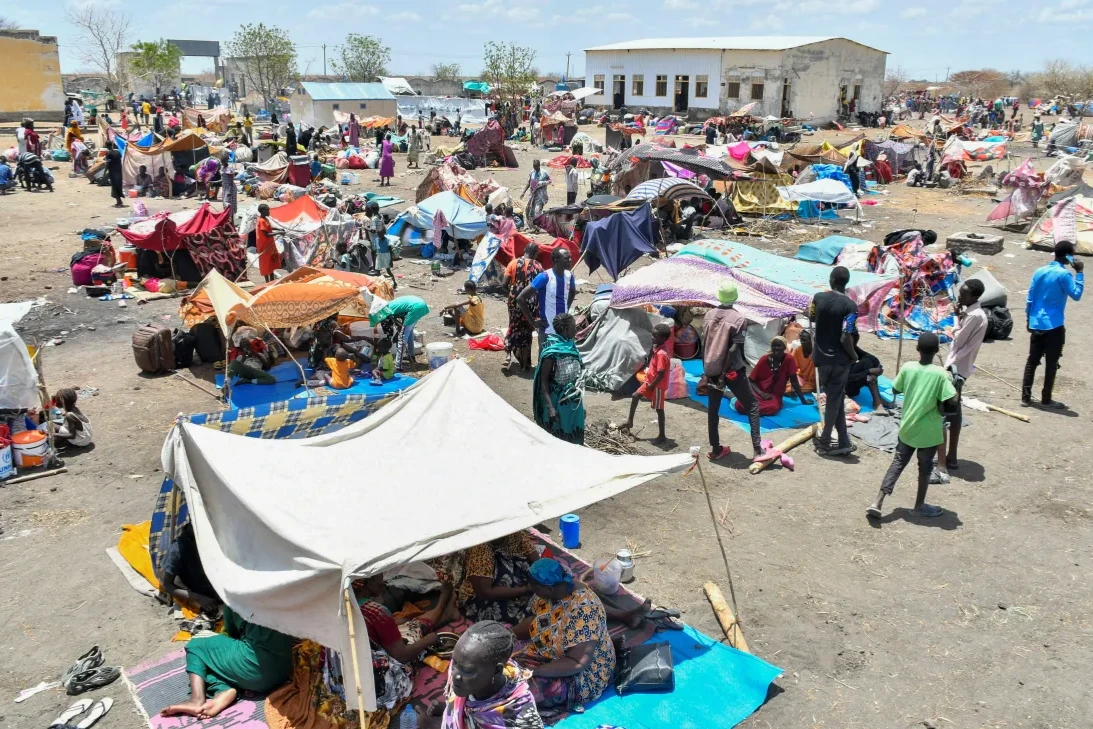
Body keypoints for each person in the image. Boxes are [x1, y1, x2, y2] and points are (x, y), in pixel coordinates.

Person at [867, 333, 957, 520]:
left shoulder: (908, 367)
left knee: (898, 463)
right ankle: (919, 506)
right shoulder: (941, 374)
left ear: (917, 349)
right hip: (929, 432)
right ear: (936, 351)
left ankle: (878, 502)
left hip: (907, 427)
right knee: (924, 468)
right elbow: (952, 399)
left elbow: (894, 389)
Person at [513, 559, 615, 712]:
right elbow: (536, 620)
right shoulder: (552, 593)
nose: (533, 592)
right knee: (509, 669)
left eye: (535, 588)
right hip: (549, 653)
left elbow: (578, 662)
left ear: (548, 588)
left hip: (583, 674)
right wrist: (509, 634)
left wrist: (536, 671)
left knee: (523, 694)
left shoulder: (584, 610)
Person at [160, 605, 296, 719]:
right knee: (214, 658)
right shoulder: (278, 591)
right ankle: (222, 690)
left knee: (197, 644)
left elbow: (231, 633)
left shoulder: (234, 597)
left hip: (256, 674)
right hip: (286, 669)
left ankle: (197, 699)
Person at [702, 284, 765, 461]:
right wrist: (723, 375)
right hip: (731, 371)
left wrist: (709, 371)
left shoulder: (708, 315)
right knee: (752, 404)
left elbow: (706, 343)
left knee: (713, 409)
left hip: (711, 368)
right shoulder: (738, 319)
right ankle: (758, 450)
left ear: (719, 296)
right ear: (735, 297)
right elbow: (732, 350)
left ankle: (716, 449)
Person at [442, 621, 545, 729]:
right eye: (454, 662)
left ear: (496, 670)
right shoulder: (465, 670)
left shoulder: (519, 718)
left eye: (467, 670)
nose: (454, 674)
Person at [936, 278, 988, 481]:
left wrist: (954, 324)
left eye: (964, 294)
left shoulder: (975, 316)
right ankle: (952, 456)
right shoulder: (971, 313)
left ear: (974, 297)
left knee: (945, 412)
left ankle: (943, 463)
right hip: (960, 366)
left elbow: (958, 339)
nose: (960, 296)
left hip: (956, 367)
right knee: (955, 409)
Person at [1022, 240, 1084, 409]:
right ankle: (1046, 398)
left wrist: (1029, 318)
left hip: (1036, 323)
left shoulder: (1039, 271)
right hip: (1054, 325)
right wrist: (1079, 273)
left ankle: (1025, 398)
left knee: (1032, 361)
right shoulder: (1064, 275)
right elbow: (1076, 295)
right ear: (1068, 256)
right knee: (1052, 362)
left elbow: (1030, 297)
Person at [433, 531, 539, 623]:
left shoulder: (516, 534)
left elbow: (537, 561)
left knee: (541, 598)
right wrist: (524, 590)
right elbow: (485, 592)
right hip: (484, 598)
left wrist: (539, 578)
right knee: (517, 614)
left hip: (521, 584)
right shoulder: (479, 547)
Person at [810, 266, 859, 456]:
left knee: (835, 398)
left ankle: (844, 441)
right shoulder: (850, 306)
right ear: (846, 283)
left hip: (821, 359)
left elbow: (812, 316)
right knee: (833, 400)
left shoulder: (818, 298)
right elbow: (846, 336)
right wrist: (854, 356)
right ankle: (825, 442)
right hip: (839, 361)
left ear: (831, 280)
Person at [533, 312, 585, 445]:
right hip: (557, 402)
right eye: (574, 326)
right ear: (566, 330)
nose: (576, 329)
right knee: (557, 440)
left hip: (573, 398)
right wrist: (550, 408)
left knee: (574, 437)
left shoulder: (570, 344)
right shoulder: (552, 352)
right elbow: (543, 381)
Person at [517, 247, 576, 360]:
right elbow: (521, 298)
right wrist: (533, 322)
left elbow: (572, 292)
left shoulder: (569, 276)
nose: (569, 260)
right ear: (555, 260)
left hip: (564, 329)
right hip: (548, 330)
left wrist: (566, 308)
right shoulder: (545, 277)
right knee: (545, 362)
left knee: (563, 362)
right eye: (566, 258)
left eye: (570, 258)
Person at [737, 336, 812, 417]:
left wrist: (803, 400)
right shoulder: (764, 359)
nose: (776, 348)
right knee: (739, 404)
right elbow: (751, 380)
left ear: (784, 347)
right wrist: (761, 394)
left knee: (773, 408)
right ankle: (751, 409)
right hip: (758, 392)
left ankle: (751, 410)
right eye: (774, 346)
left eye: (779, 346)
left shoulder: (789, 360)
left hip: (774, 396)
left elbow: (794, 381)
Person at [622, 323, 672, 444]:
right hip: (650, 381)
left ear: (663, 339)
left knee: (659, 409)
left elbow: (660, 374)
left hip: (657, 385)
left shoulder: (661, 354)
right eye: (653, 335)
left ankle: (662, 436)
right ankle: (630, 421)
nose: (652, 338)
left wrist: (651, 385)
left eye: (655, 336)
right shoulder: (657, 349)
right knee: (635, 395)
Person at [159, 523, 220, 614]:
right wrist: (198, 598)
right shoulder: (178, 549)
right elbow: (167, 584)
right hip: (195, 589)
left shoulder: (213, 539)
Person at [503, 241, 543, 371]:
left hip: (514, 301)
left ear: (524, 250)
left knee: (514, 327)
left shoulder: (513, 263)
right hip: (531, 303)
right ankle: (525, 364)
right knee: (527, 331)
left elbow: (504, 284)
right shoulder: (538, 266)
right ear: (536, 253)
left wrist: (512, 290)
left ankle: (509, 352)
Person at [369, 295, 429, 372]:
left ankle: (398, 366)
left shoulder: (388, 310)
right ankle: (411, 355)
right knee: (409, 331)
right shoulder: (389, 305)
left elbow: (396, 326)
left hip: (415, 308)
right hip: (420, 305)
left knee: (402, 338)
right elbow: (401, 323)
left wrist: (396, 336)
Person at [845, 332, 895, 415]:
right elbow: (844, 378)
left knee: (871, 360)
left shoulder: (848, 347)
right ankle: (877, 402)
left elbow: (870, 357)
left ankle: (877, 401)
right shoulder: (835, 353)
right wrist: (869, 371)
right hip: (840, 386)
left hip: (850, 375)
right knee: (868, 367)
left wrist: (853, 347)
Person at [367, 202, 396, 288]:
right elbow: (382, 226)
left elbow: (372, 230)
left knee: (374, 253)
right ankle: (377, 269)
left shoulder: (373, 219)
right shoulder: (381, 216)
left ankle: (376, 270)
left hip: (375, 239)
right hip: (380, 237)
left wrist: (365, 227)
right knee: (378, 255)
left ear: (371, 210)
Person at [522, 160, 551, 232]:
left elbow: (550, 181)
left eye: (536, 167)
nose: (535, 169)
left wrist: (542, 183)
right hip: (532, 195)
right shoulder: (532, 172)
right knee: (529, 210)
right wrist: (523, 192)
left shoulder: (544, 173)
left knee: (537, 210)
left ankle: (539, 226)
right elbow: (529, 183)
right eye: (534, 167)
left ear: (539, 166)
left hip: (541, 195)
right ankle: (532, 226)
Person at [256, 204, 280, 282]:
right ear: (263, 211)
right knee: (266, 263)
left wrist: (278, 229)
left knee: (271, 262)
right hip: (265, 246)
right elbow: (266, 234)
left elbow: (268, 228)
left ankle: (272, 280)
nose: (269, 212)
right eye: (267, 210)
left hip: (269, 245)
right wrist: (278, 233)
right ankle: (267, 281)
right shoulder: (261, 221)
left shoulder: (265, 219)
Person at [787, 329, 816, 394]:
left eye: (805, 340)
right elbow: (792, 365)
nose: (802, 342)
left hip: (811, 381)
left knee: (803, 388)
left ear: (811, 340)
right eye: (801, 340)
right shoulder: (798, 350)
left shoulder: (815, 352)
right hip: (800, 377)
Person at [105, 142, 124, 208]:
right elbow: (120, 159)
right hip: (119, 171)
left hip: (113, 172)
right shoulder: (118, 152)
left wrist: (104, 172)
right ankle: (119, 201)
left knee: (115, 187)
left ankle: (119, 201)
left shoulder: (108, 153)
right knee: (118, 186)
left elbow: (107, 164)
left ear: (107, 145)